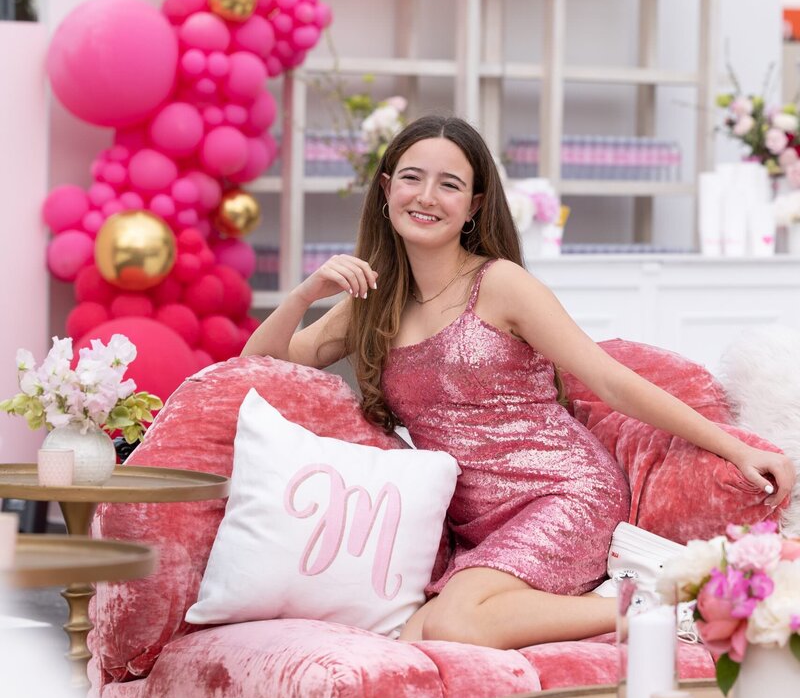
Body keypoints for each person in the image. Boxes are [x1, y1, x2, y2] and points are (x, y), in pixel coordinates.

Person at [243, 115, 796, 650]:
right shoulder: (374, 298)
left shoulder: (500, 283)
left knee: (454, 626)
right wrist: (302, 295)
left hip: (562, 492)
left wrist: (735, 445)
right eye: (412, 178)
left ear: (473, 206)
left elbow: (611, 382)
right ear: (387, 190)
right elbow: (256, 365)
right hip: (473, 520)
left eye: (450, 184)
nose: (427, 196)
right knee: (412, 636)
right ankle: (636, 605)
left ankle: (672, 610)